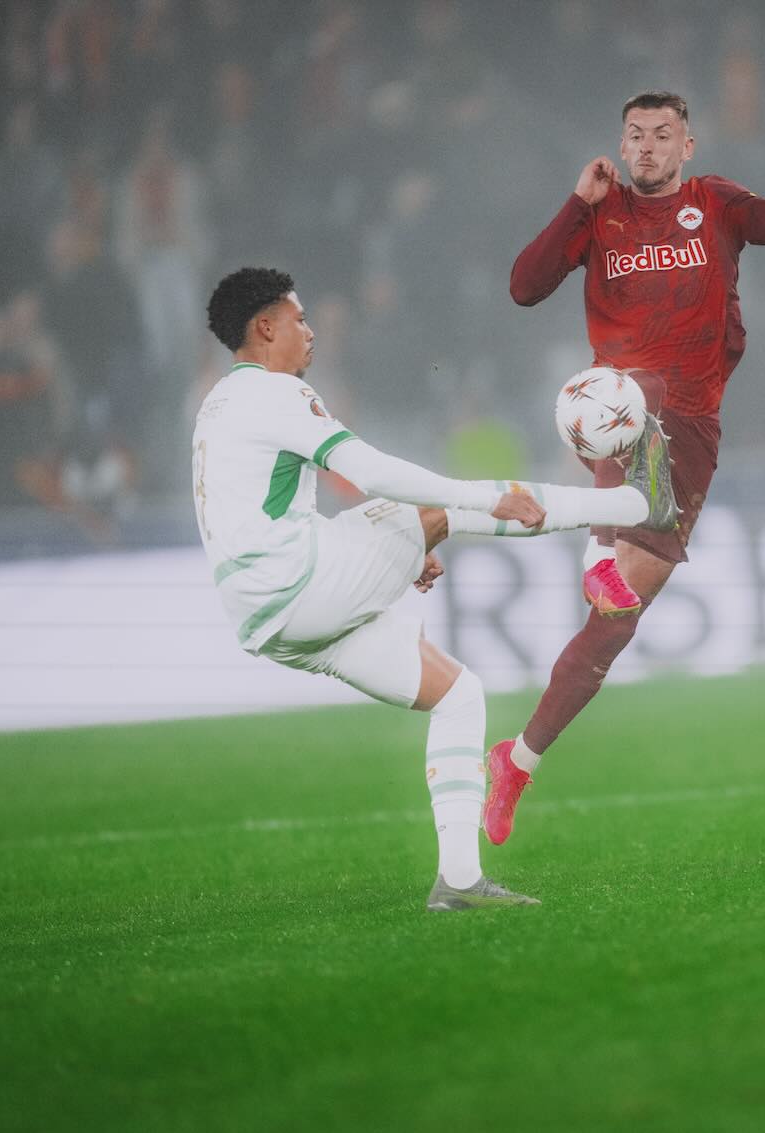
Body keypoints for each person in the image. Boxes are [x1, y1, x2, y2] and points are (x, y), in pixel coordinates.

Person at [194, 267, 676, 911]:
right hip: (297, 581)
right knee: (438, 508)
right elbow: (369, 472)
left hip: (267, 616)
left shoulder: (219, 403)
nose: (310, 333)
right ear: (264, 327)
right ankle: (634, 504)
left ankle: (459, 881)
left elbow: (268, 511)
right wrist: (474, 502)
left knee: (457, 695)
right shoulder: (275, 393)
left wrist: (395, 550)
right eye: (299, 320)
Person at [489, 70, 765, 844]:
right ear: (621, 144)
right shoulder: (600, 214)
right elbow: (523, 288)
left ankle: (518, 760)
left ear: (687, 145)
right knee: (632, 390)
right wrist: (576, 202)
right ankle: (597, 547)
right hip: (616, 409)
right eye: (635, 136)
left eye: (661, 135)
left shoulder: (719, 203)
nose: (646, 148)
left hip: (695, 431)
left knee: (615, 622)